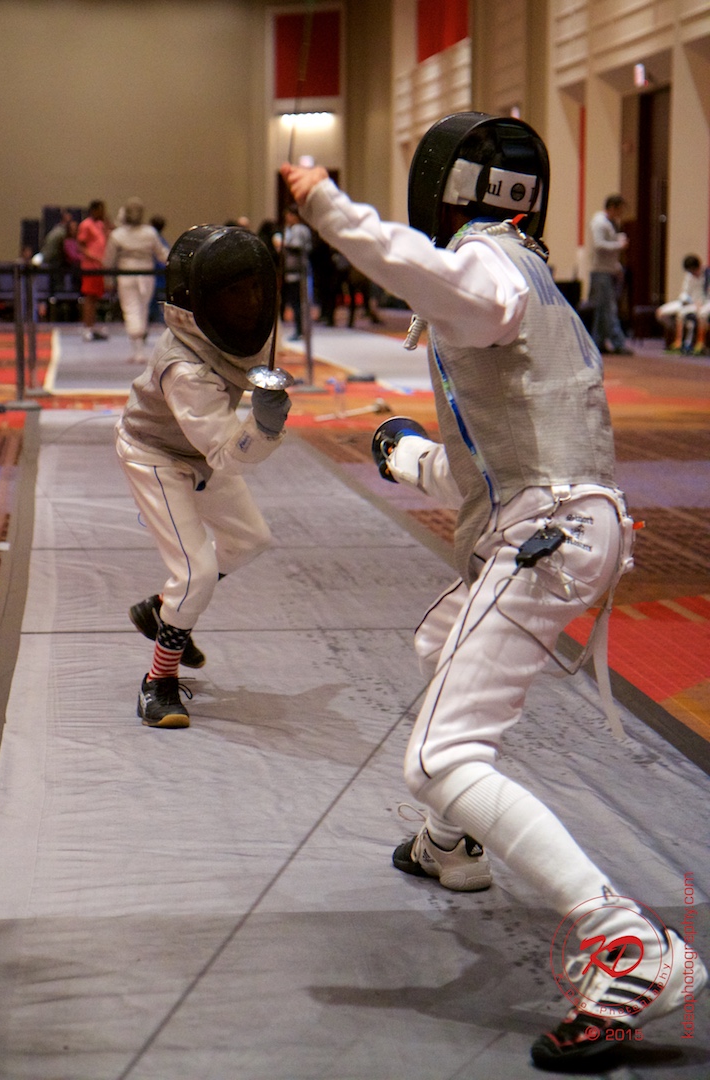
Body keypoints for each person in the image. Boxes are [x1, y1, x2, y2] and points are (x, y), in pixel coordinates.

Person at [281, 112, 706, 1068]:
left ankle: (630, 946)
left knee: (439, 757)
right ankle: (452, 845)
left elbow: (424, 272)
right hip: (562, 521)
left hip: (547, 536)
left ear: (448, 191)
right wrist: (406, 456)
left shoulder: (489, 268)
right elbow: (493, 466)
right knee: (440, 644)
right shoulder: (529, 281)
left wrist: (329, 207)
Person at [115, 224, 291, 728]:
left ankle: (161, 610)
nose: (250, 302)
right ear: (204, 301)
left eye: (254, 288)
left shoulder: (236, 333)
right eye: (235, 292)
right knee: (194, 572)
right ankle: (158, 681)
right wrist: (264, 427)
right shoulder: (185, 369)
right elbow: (225, 453)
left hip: (199, 451)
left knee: (251, 539)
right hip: (154, 453)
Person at [104, 197, 168, 362]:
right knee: (141, 309)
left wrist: (107, 278)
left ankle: (138, 349)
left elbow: (108, 261)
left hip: (127, 275)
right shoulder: (149, 233)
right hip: (145, 275)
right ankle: (138, 349)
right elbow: (162, 254)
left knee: (132, 309)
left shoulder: (118, 235)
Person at [588, 194, 632, 355]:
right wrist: (618, 245)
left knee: (601, 309)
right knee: (608, 308)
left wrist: (616, 266)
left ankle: (598, 342)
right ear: (612, 207)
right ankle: (618, 343)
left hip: (607, 270)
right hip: (600, 271)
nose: (621, 213)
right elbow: (599, 245)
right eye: (620, 210)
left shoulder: (611, 223)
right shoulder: (600, 223)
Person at [655, 253, 709, 353]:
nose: (692, 273)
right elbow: (685, 292)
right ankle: (678, 339)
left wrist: (700, 303)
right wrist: (687, 301)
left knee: (701, 314)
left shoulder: (707, 274)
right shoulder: (689, 276)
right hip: (689, 302)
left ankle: (700, 343)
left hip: (705, 303)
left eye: (693, 270)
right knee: (661, 312)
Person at [77, 200, 111, 341]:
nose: (103, 212)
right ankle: (87, 327)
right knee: (89, 298)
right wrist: (94, 258)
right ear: (94, 210)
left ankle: (92, 326)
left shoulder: (101, 225)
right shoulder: (86, 225)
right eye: (101, 209)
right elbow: (81, 246)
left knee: (96, 298)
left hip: (100, 267)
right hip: (90, 267)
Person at [278, 204, 312, 340]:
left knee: (297, 303)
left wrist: (283, 245)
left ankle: (299, 330)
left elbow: (297, 247)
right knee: (296, 302)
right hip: (294, 271)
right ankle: (299, 329)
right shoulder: (294, 229)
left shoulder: (299, 229)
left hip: (297, 271)